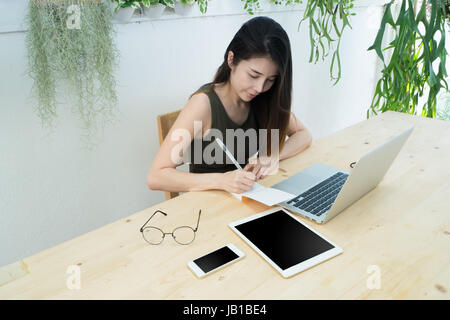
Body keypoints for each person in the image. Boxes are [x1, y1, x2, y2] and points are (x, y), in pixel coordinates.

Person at [147, 16, 312, 195]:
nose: (259, 88)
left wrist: (271, 156)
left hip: (247, 198)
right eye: (254, 75)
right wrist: (222, 180)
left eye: (270, 80)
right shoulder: (202, 105)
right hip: (207, 206)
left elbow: (303, 135)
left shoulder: (263, 98)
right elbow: (156, 176)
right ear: (231, 59)